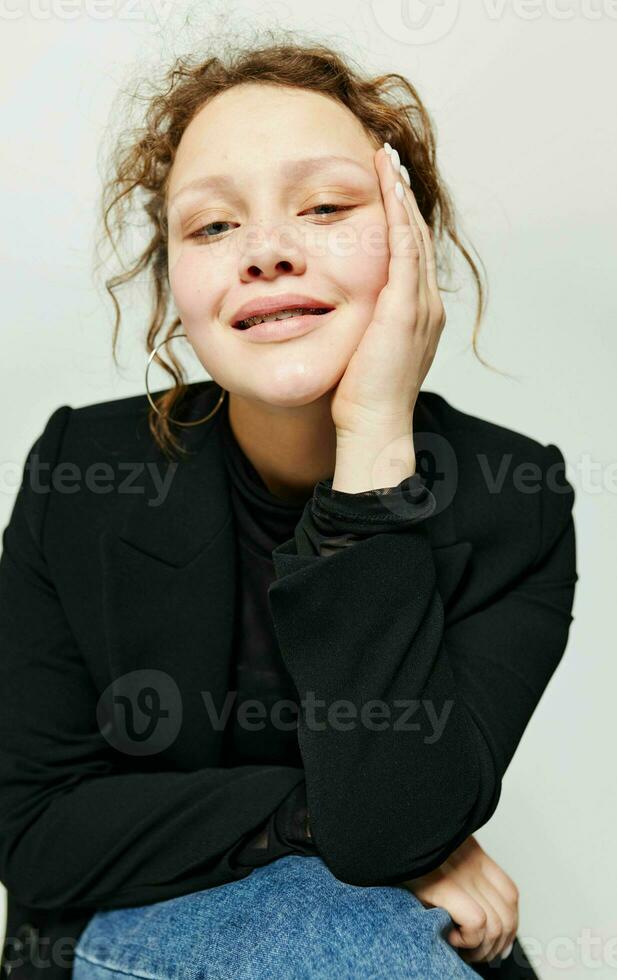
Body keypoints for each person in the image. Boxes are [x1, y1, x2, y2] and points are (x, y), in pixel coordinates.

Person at [0, 38, 577, 980]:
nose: (266, 251)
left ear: (411, 241)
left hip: (391, 941)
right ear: (173, 281)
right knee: (327, 921)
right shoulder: (85, 469)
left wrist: (376, 452)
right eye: (213, 226)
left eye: (325, 207)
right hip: (123, 927)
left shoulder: (515, 501)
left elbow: (389, 823)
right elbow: (37, 834)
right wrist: (306, 815)